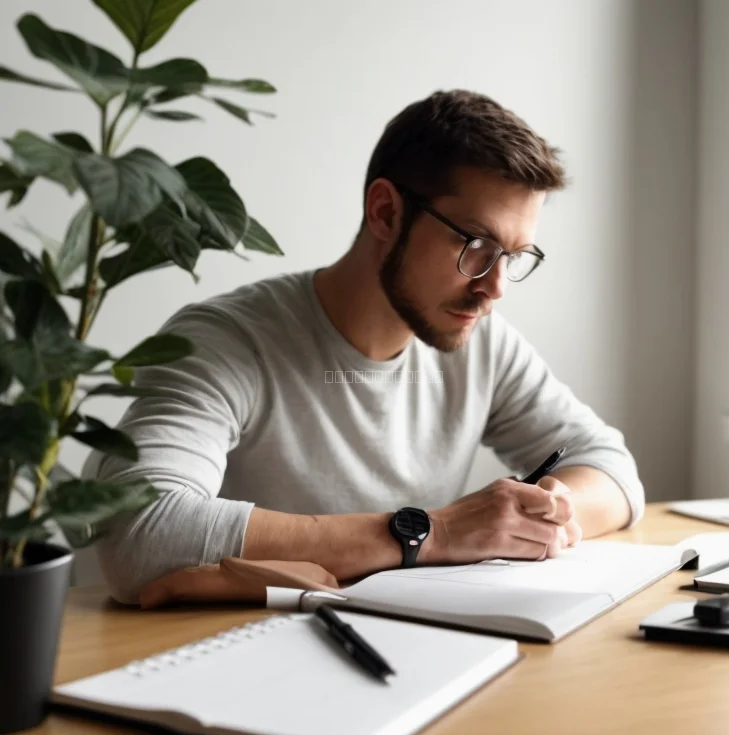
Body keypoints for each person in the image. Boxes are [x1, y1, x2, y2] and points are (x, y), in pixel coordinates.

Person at [84, 89, 645, 605]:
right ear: (385, 212)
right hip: (211, 659)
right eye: (476, 245)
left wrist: (546, 518)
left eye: (515, 257)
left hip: (408, 648)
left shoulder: (483, 345)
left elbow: (611, 469)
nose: (494, 288)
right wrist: (436, 532)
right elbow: (138, 530)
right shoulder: (228, 341)